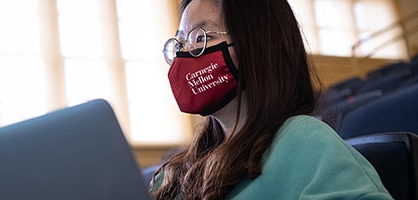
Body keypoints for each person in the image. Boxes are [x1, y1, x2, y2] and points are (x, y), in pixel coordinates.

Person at [151, 0, 394, 199]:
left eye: (201, 38)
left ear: (256, 44)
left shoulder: (305, 140)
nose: (184, 55)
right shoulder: (181, 170)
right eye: (181, 42)